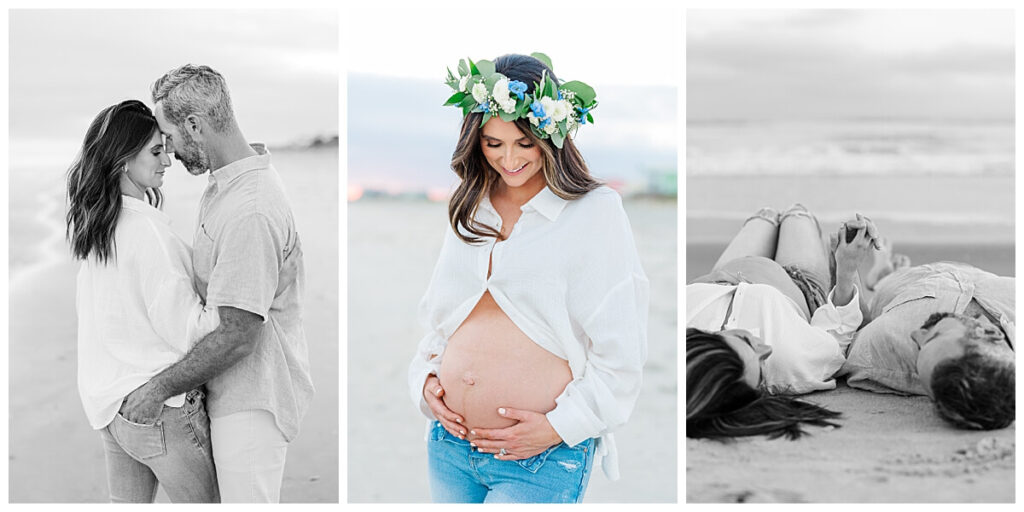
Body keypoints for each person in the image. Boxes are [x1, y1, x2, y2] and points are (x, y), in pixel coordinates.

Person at [407, 53, 649, 503]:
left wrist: (559, 427)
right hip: (449, 447)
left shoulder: (594, 212)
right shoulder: (469, 205)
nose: (508, 158)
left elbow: (621, 347)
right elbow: (442, 321)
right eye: (492, 143)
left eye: (524, 143)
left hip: (540, 456)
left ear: (551, 134)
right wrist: (424, 380)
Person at [116, 64, 314, 502]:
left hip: (251, 402)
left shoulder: (251, 209)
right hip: (229, 394)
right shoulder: (229, 186)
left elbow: (238, 334)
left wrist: (156, 389)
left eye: (169, 136)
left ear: (194, 125)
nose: (169, 151)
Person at [66, 100, 220, 502]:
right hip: (160, 413)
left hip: (113, 412)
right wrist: (244, 297)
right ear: (122, 160)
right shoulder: (147, 233)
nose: (167, 161)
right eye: (155, 151)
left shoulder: (97, 230)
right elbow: (191, 332)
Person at [686, 206, 875, 439]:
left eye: (747, 340)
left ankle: (767, 215)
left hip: (726, 271)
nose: (766, 349)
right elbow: (836, 332)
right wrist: (846, 269)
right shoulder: (788, 364)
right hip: (799, 282)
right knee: (797, 214)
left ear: (705, 342)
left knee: (763, 215)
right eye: (762, 370)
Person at [838, 241, 1015, 430]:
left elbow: (851, 328)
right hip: (955, 276)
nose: (916, 335)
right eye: (935, 335)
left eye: (919, 350)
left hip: (900, 289)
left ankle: (882, 278)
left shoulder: (887, 345)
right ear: (989, 332)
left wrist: (847, 268)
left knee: (888, 287)